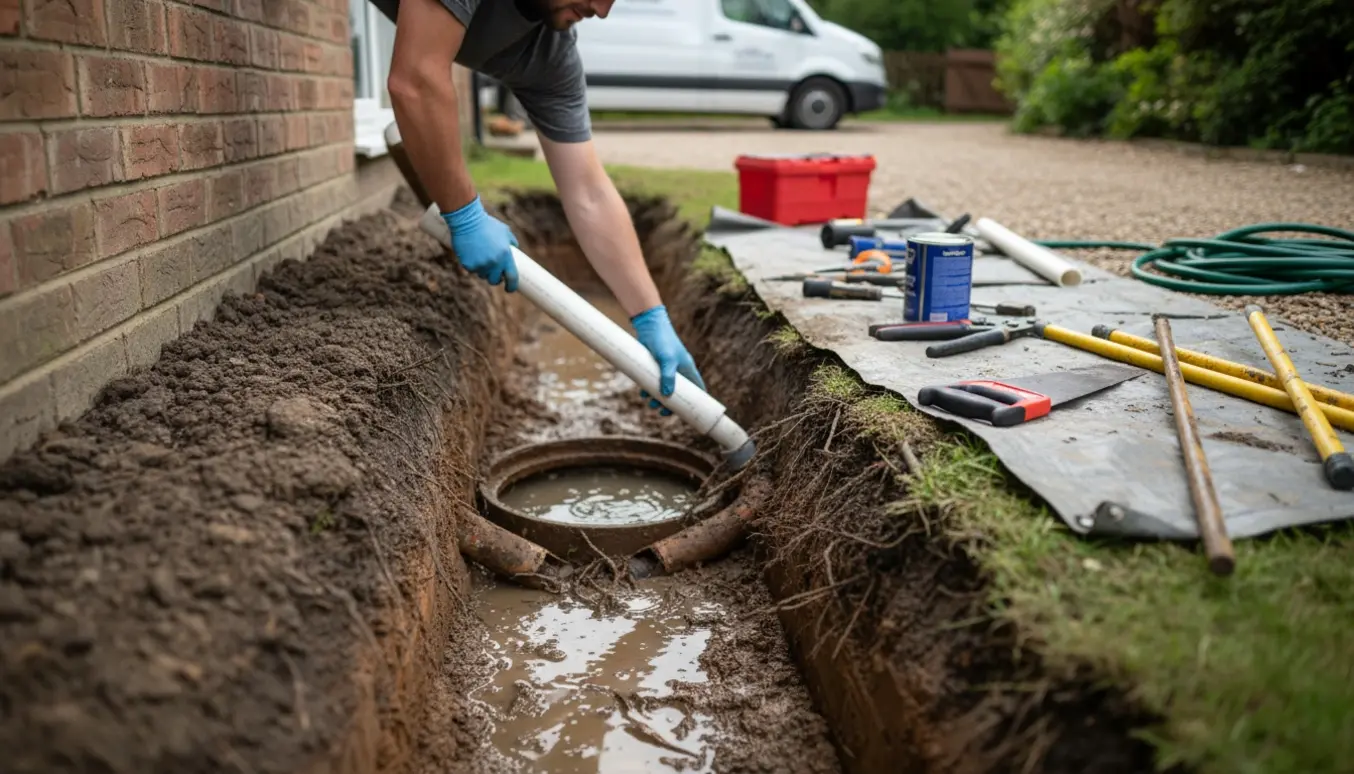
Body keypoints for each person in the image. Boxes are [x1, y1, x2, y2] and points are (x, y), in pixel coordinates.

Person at [371, 0, 705, 416]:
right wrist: (465, 214)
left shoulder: (550, 53)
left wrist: (651, 316)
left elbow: (589, 192)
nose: (601, 10)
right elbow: (416, 79)